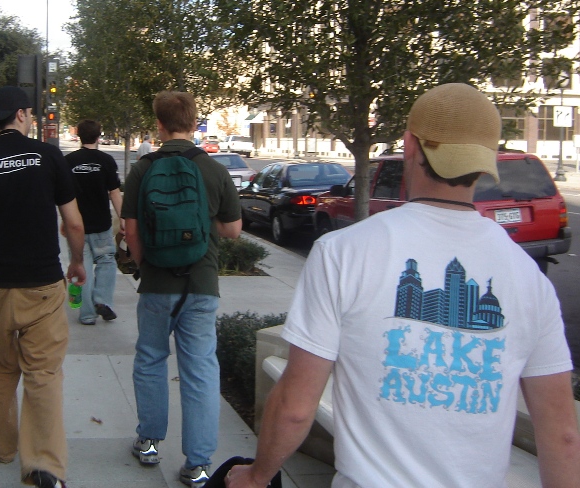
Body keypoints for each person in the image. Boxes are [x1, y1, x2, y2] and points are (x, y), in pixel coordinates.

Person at [226, 83, 580, 488]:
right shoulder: (530, 280)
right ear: (487, 162)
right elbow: (562, 435)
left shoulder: (343, 252)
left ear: (410, 146)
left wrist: (257, 476)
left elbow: (295, 405)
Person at [0, 86, 86, 488]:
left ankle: (0, 446)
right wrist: (77, 261)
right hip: (42, 284)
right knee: (43, 373)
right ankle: (44, 466)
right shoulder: (48, 156)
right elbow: (74, 223)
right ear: (23, 115)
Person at [122, 90, 242, 486]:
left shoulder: (143, 169)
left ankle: (149, 443)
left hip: (156, 283)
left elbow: (131, 230)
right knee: (200, 370)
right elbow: (233, 229)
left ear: (159, 124)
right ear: (194, 123)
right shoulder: (214, 170)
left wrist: (146, 266)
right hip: (201, 285)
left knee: (150, 359)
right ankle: (199, 464)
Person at [64, 119, 123, 325]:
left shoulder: (68, 162)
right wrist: (123, 218)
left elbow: (64, 196)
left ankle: (87, 315)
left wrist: (64, 221)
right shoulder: (106, 161)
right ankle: (102, 300)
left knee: (82, 266)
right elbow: (114, 193)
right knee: (106, 261)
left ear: (79, 135)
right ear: (98, 136)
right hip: (101, 225)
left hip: (76, 226)